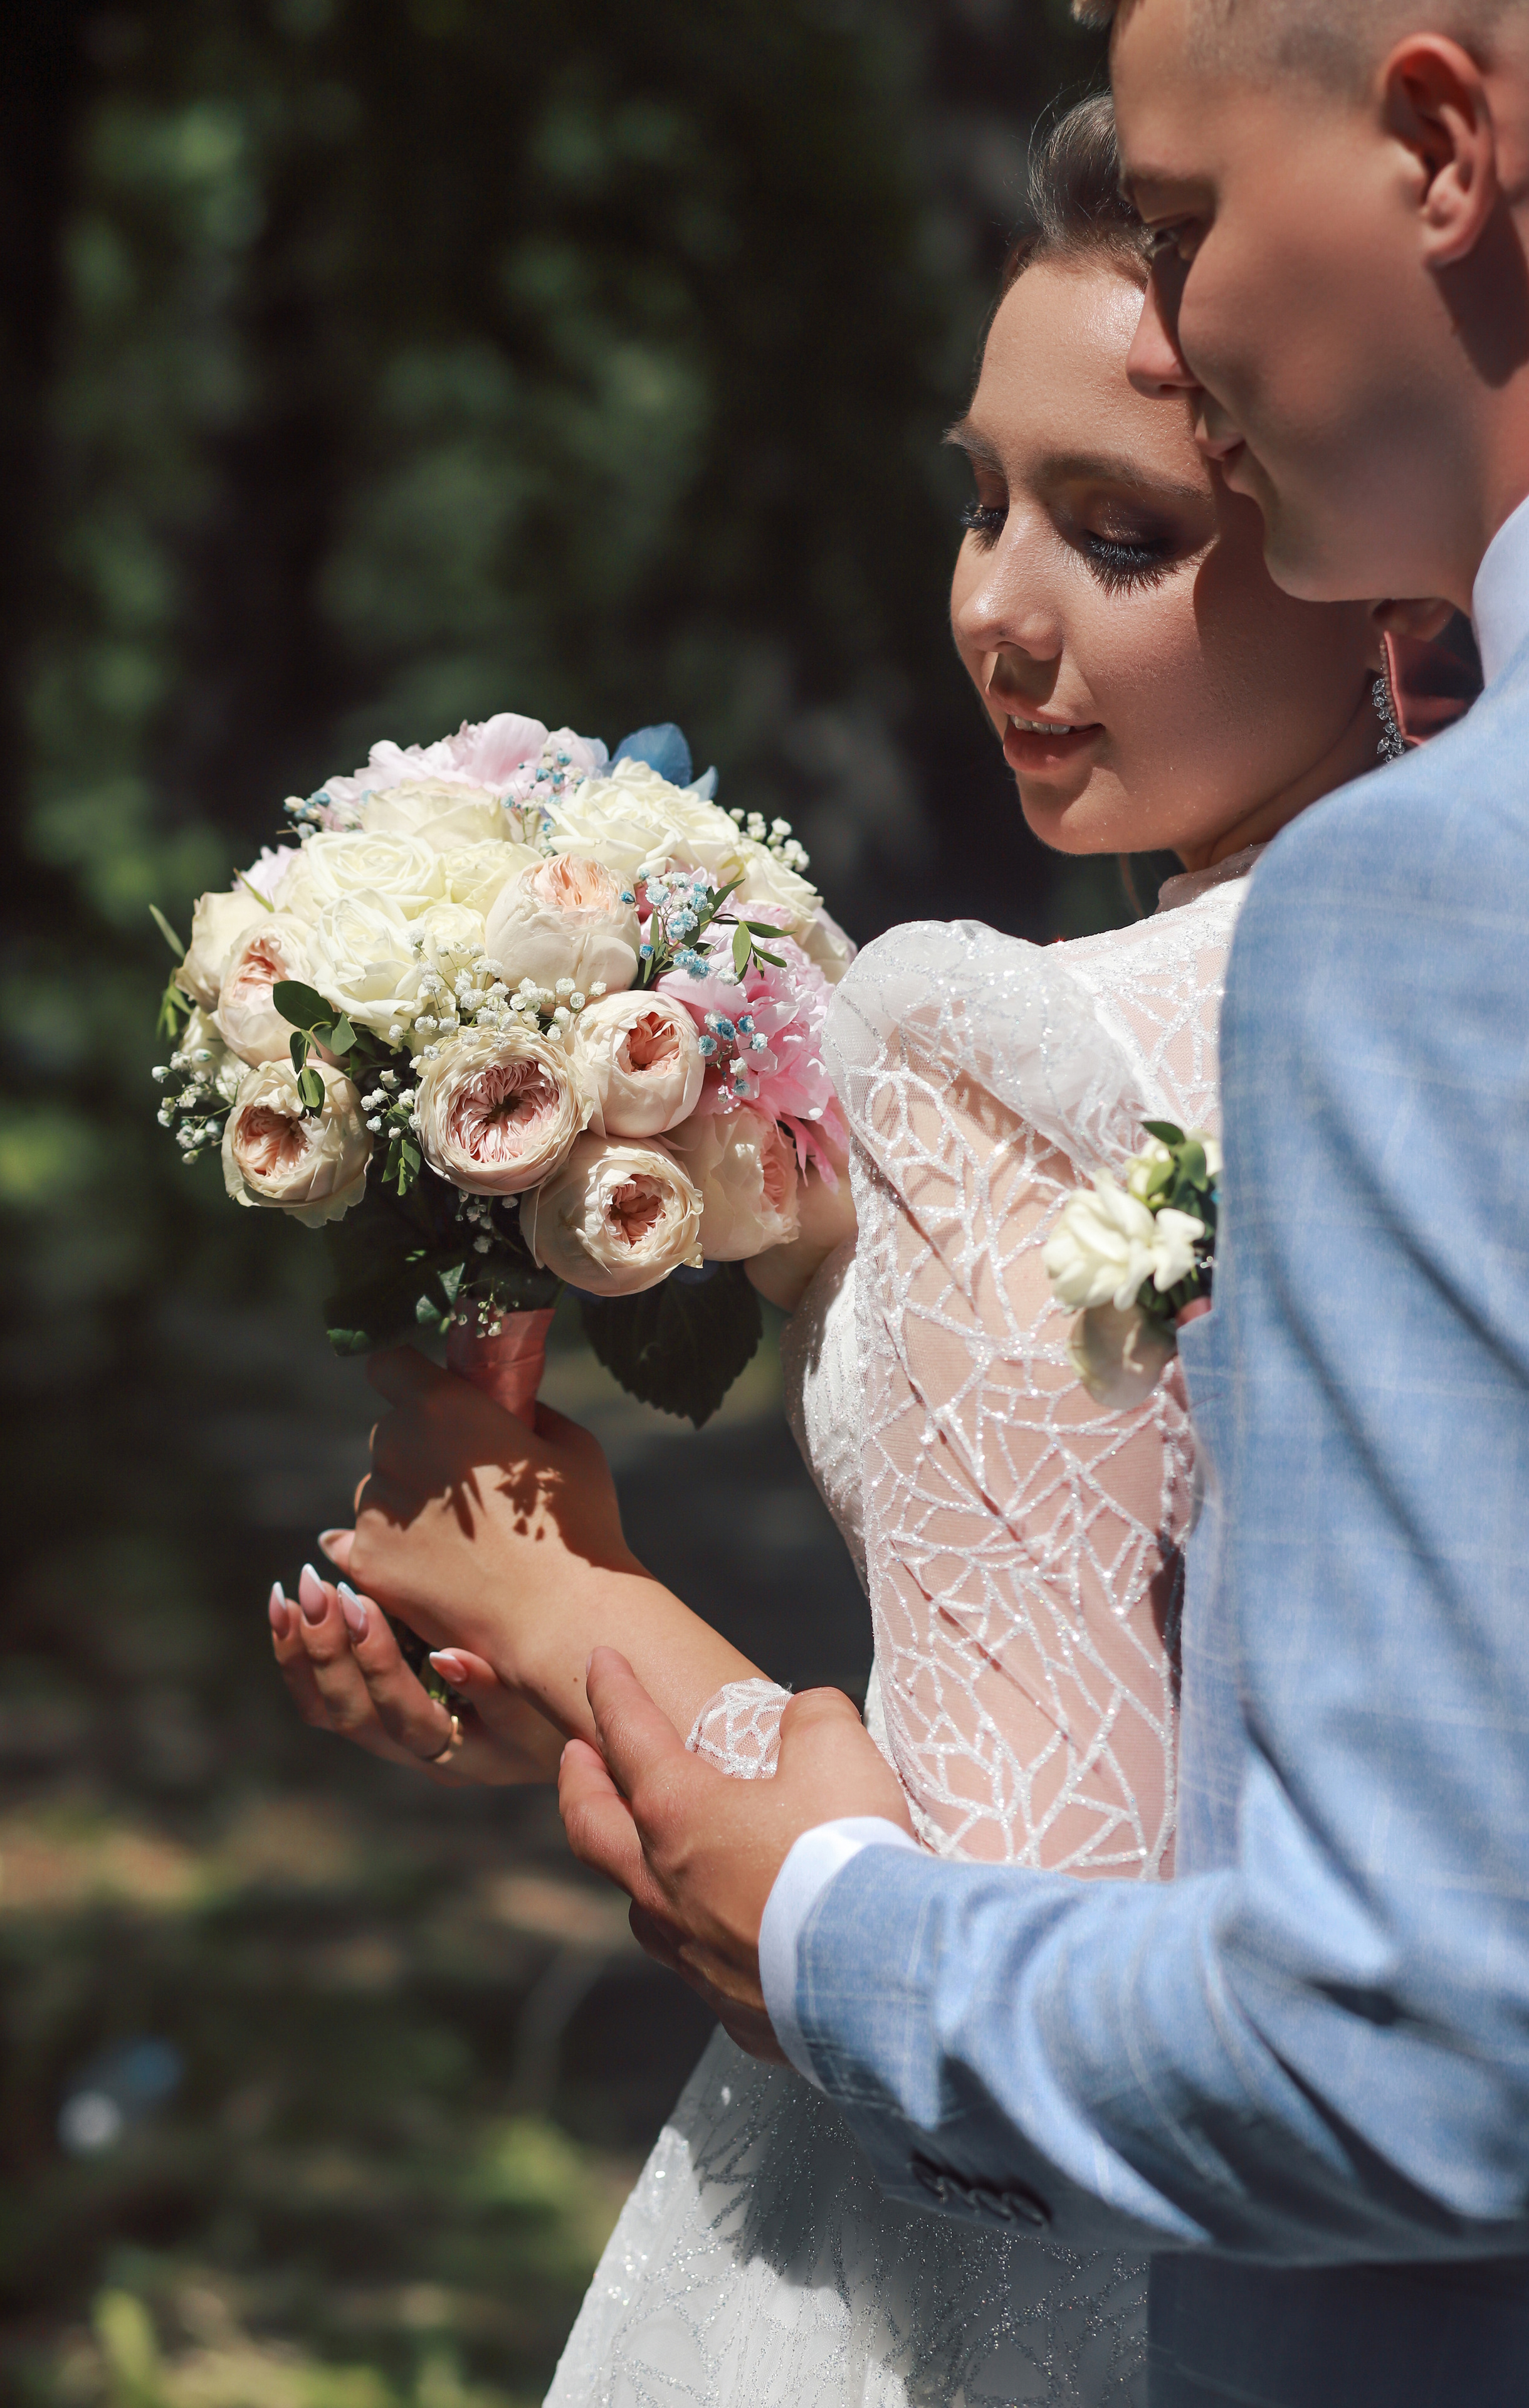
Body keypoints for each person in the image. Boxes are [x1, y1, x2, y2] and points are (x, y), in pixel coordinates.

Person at [271, 92, 1452, 2405]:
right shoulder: (1447, 1020)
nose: (998, 608)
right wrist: (599, 1745)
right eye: (980, 499)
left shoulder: (998, 1054)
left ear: (1371, 568)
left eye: (1119, 531)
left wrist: (574, 1609)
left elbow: (998, 1986)